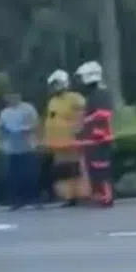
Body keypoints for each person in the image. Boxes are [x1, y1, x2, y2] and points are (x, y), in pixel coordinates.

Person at [43, 69, 89, 206]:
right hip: (57, 143)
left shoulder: (75, 98)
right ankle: (69, 197)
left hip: (72, 141)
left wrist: (79, 132)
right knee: (63, 171)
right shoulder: (52, 101)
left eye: (57, 84)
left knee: (76, 169)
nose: (55, 88)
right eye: (53, 85)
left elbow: (81, 117)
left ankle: (82, 195)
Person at [74, 60, 115, 207]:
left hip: (100, 136)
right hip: (92, 137)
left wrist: (86, 120)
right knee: (94, 167)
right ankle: (99, 194)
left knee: (101, 167)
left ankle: (107, 196)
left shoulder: (101, 94)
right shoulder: (94, 94)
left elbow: (103, 113)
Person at [0, 90, 41, 210]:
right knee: (15, 176)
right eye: (9, 96)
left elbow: (35, 124)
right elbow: (2, 128)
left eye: (14, 96)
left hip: (28, 146)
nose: (12, 99)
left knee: (31, 174)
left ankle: (35, 199)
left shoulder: (28, 108)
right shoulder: (5, 112)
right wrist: (6, 133)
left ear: (19, 96)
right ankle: (17, 201)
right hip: (12, 148)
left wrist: (24, 130)